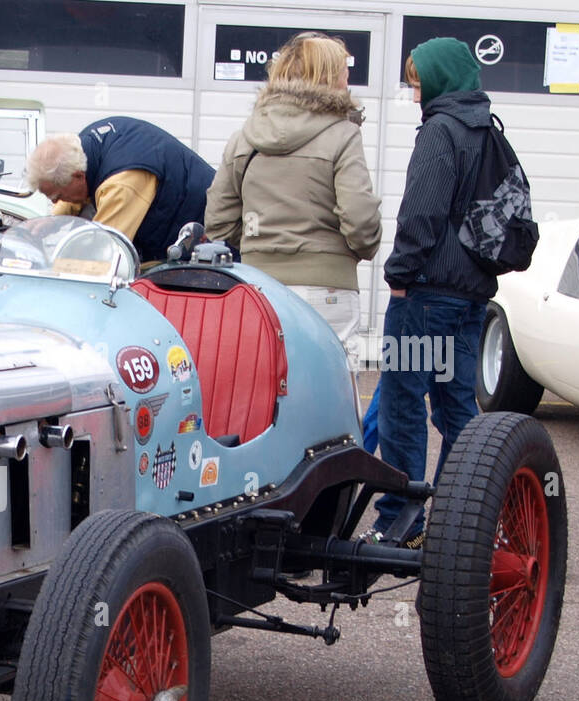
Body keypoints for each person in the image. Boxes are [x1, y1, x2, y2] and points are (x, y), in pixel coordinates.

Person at [367, 39, 495, 546]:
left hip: (425, 298)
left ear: (440, 79)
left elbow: (421, 212)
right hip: (468, 298)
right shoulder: (485, 128)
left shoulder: (441, 130)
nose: (414, 91)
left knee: (402, 402)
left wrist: (398, 275)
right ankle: (464, 518)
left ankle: (400, 518)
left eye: (418, 80)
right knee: (455, 405)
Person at [205, 31, 381, 370]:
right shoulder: (343, 135)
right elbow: (360, 220)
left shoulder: (245, 137)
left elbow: (219, 222)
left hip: (259, 286)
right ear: (328, 76)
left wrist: (259, 247)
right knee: (332, 397)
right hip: (327, 287)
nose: (349, 79)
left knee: (264, 389)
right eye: (345, 71)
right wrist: (355, 250)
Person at [25, 116, 215, 266]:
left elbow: (104, 251)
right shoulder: (82, 148)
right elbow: (74, 190)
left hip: (208, 241)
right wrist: (52, 221)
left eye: (57, 197)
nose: (56, 203)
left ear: (78, 176)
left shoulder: (121, 184)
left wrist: (57, 267)